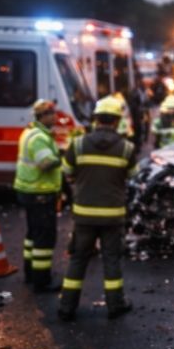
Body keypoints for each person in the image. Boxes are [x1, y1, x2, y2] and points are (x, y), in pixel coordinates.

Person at [58, 96, 136, 321]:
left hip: (84, 214)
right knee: (111, 259)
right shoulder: (126, 148)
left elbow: (67, 171)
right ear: (116, 121)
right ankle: (115, 305)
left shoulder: (79, 144)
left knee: (78, 259)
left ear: (96, 119)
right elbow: (133, 176)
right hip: (113, 215)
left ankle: (66, 307)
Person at [13, 99, 62, 293]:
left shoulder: (30, 132)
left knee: (33, 234)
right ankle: (42, 281)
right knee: (44, 237)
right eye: (52, 114)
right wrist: (64, 156)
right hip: (39, 192)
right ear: (42, 116)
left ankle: (30, 274)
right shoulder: (39, 137)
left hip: (28, 191)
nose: (55, 117)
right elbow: (45, 163)